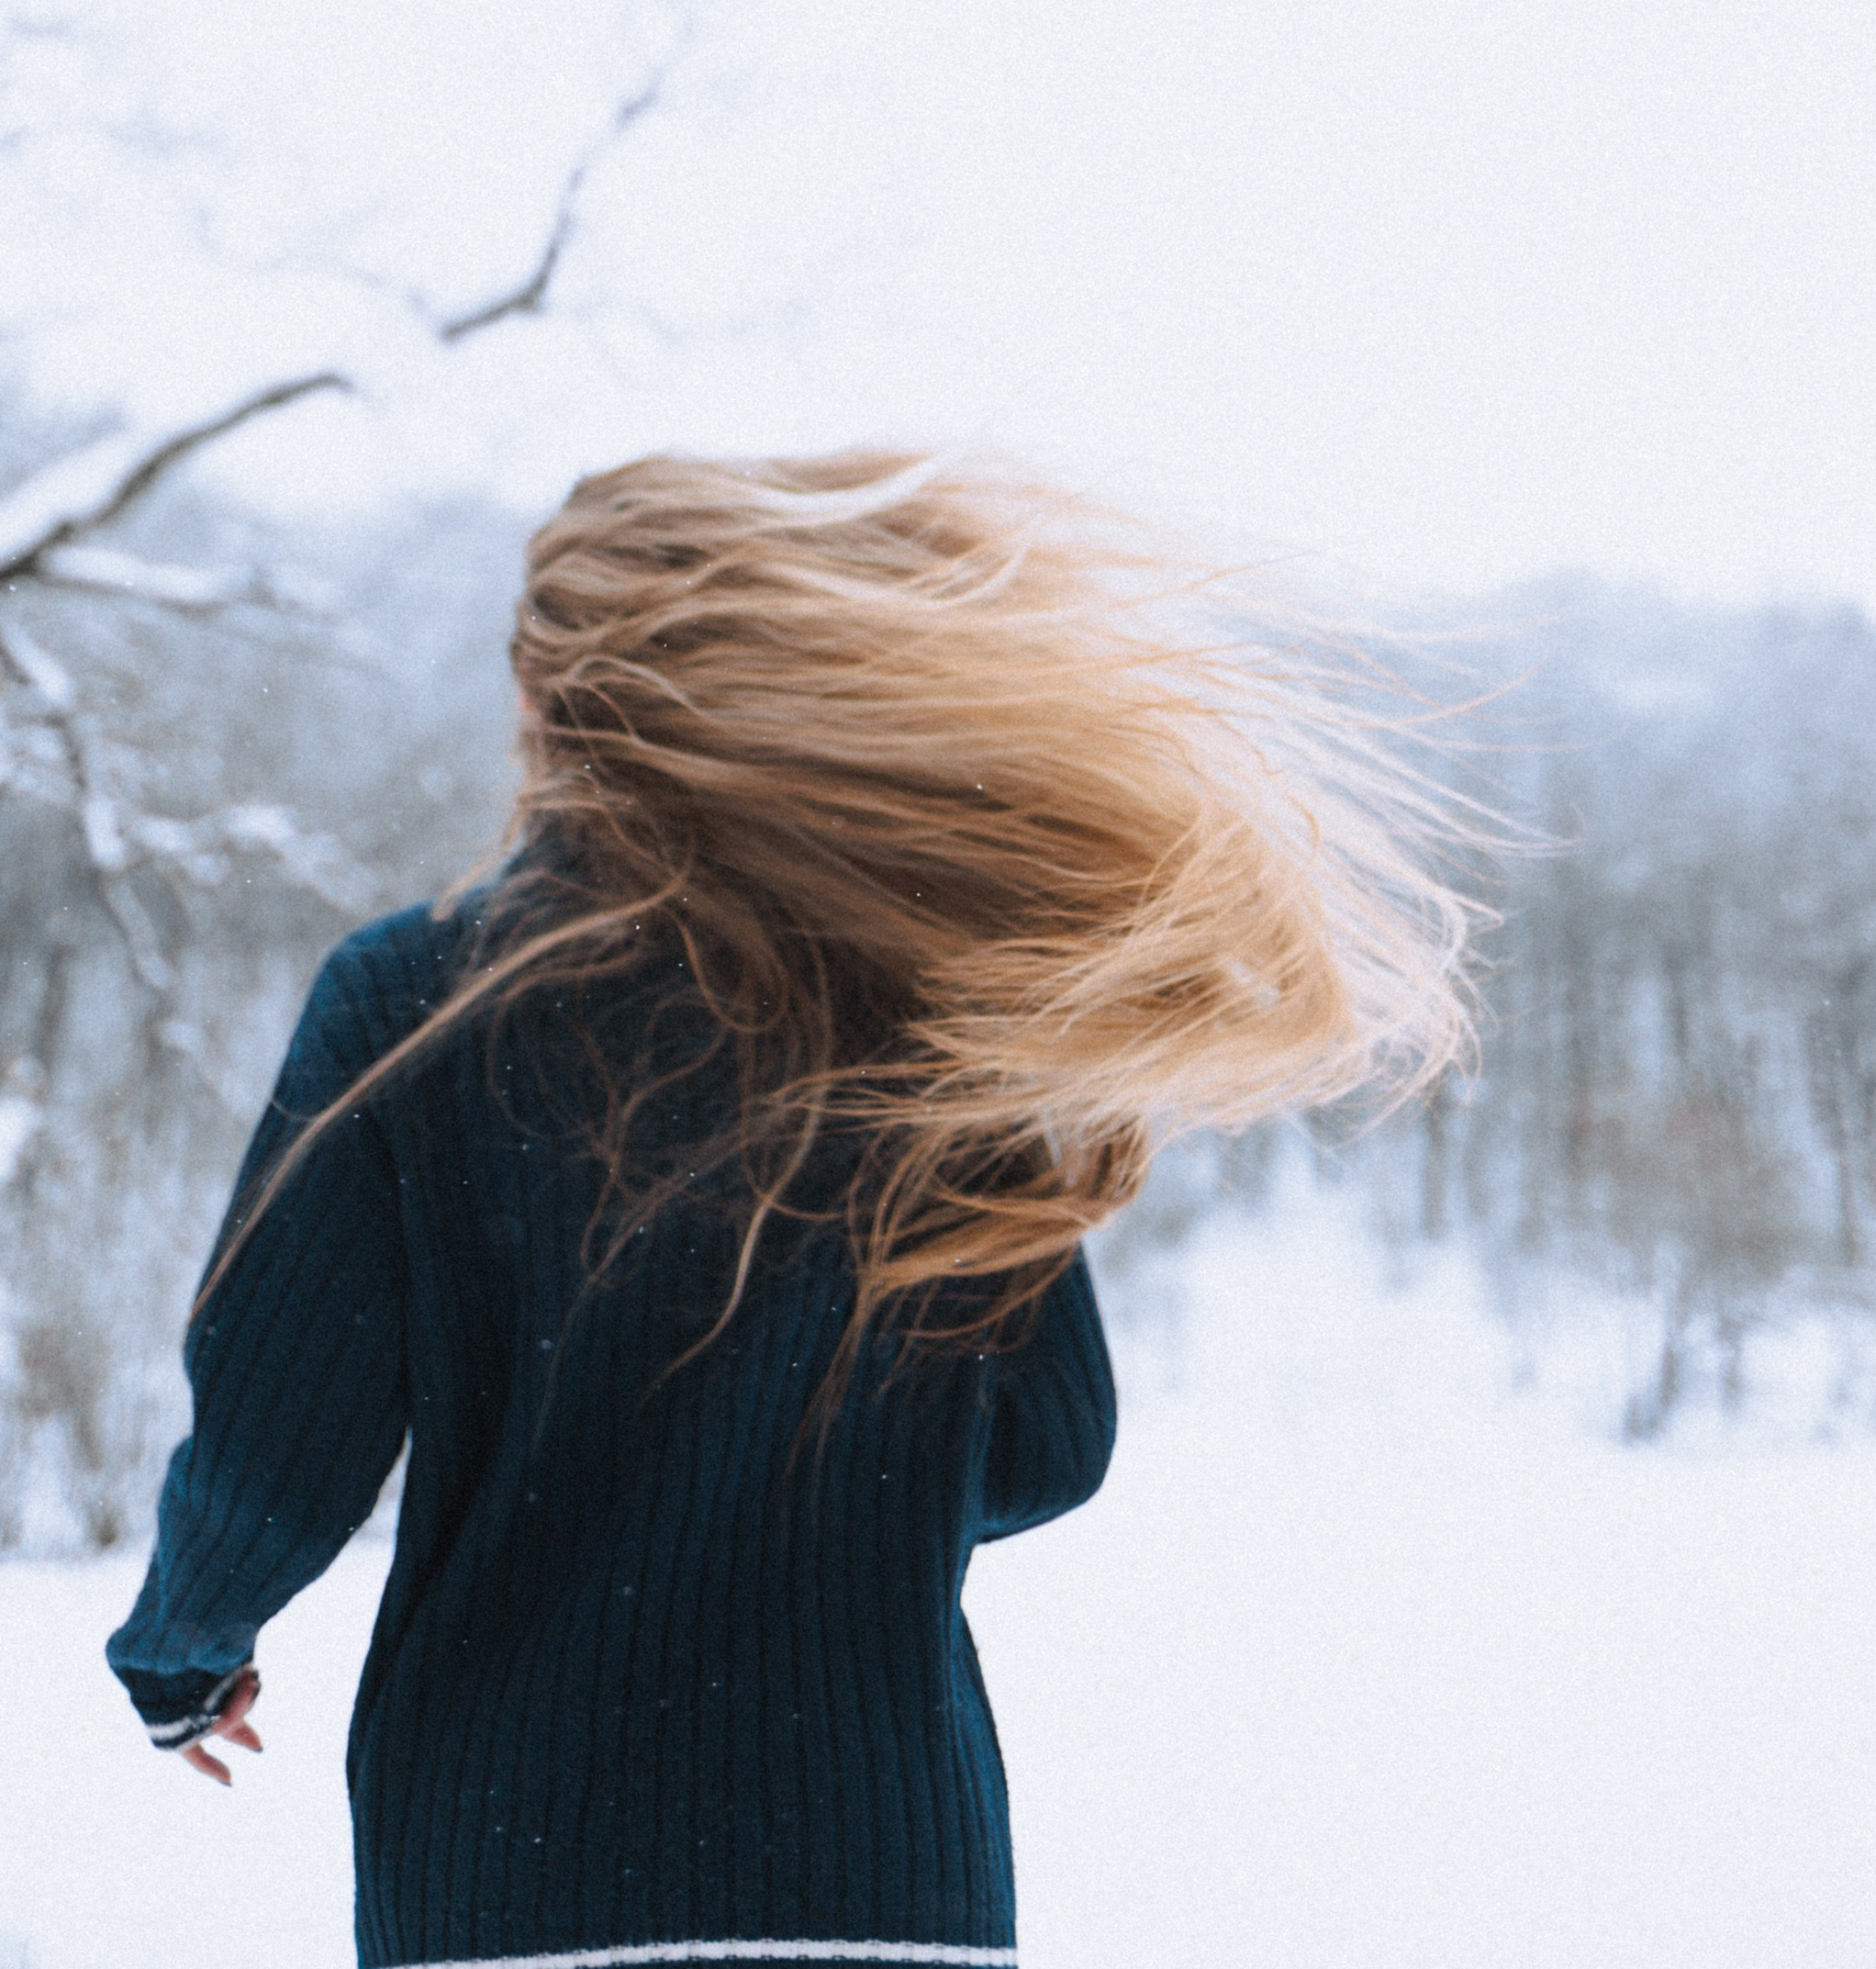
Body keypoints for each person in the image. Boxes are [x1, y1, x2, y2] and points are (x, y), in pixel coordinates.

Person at [106, 449, 1476, 1969]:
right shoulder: (934, 1002)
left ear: (559, 699)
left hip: (511, 1879)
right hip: (885, 1888)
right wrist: (832, 1505)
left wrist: (189, 1642)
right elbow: (1050, 1441)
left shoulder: (416, 1000)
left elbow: (283, 1427)